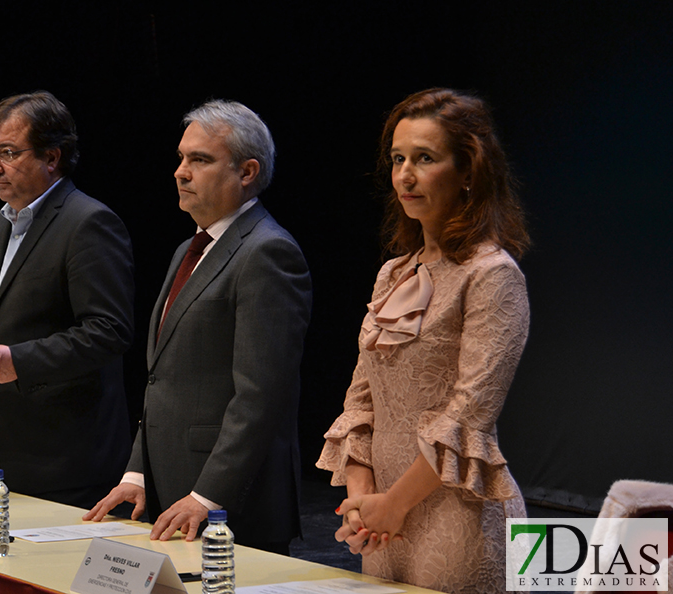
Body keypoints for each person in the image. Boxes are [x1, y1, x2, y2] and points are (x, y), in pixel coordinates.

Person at [316, 88, 531, 594]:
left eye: (425, 159)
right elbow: (361, 401)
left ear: (468, 173)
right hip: (383, 523)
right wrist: (362, 501)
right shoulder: (393, 273)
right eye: (398, 159)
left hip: (457, 517)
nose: (404, 176)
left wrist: (393, 504)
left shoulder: (492, 274)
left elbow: (468, 415)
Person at [84, 100, 312, 554]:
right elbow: (164, 380)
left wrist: (209, 495)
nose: (180, 172)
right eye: (181, 159)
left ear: (247, 172)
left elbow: (261, 396)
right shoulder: (190, 248)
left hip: (230, 505)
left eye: (200, 160)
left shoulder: (267, 253)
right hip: (175, 493)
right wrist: (137, 473)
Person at [0, 91, 134, 509]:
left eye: (8, 152)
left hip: (64, 456)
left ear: (52, 157)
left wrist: (19, 361)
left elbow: (108, 331)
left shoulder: (89, 223)